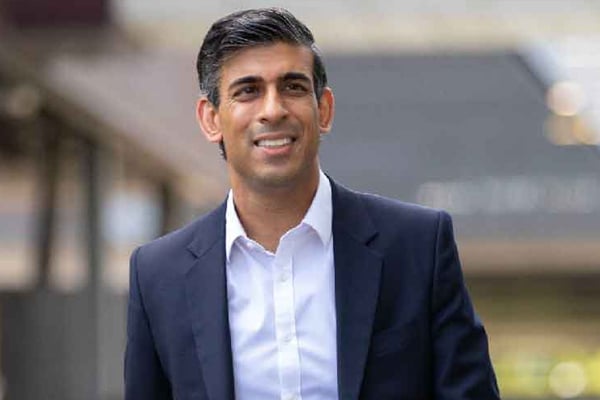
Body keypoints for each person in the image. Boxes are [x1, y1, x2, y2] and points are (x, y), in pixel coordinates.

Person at [125, 7, 500, 400]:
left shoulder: (417, 246)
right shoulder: (158, 275)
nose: (273, 110)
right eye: (248, 91)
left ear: (324, 109)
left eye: (293, 87)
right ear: (211, 119)